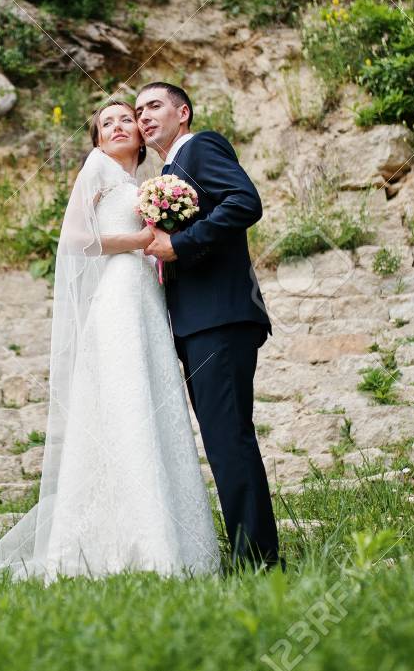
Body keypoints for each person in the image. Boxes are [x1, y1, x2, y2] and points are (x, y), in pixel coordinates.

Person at [0, 99, 220, 583]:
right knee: (125, 402)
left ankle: (169, 540)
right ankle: (136, 548)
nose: (120, 125)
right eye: (108, 123)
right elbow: (76, 240)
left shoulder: (147, 184)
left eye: (126, 118)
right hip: (117, 300)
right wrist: (142, 240)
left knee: (152, 402)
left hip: (147, 299)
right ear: (98, 139)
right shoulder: (98, 168)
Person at [136, 81, 281, 571]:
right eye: (138, 111)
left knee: (228, 438)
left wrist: (181, 244)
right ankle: (251, 555)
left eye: (154, 105)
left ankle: (258, 563)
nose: (144, 116)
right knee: (224, 438)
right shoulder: (169, 171)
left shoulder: (201, 146)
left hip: (221, 317)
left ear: (184, 112)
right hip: (198, 324)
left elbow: (244, 202)